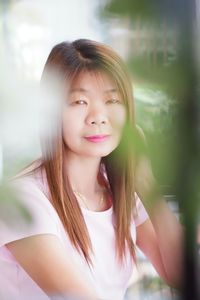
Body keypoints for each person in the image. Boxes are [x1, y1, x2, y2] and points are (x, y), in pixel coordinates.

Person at [0, 39, 183, 300]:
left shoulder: (118, 191)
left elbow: (183, 276)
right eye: (79, 102)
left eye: (113, 100)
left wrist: (145, 181)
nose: (98, 116)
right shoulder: (24, 201)